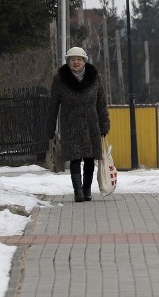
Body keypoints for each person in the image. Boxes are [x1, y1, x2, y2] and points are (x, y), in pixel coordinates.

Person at [45, 46, 110, 202]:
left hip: (90, 124)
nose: (76, 62)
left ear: (84, 61)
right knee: (75, 158)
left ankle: (87, 190)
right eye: (72, 59)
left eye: (79, 59)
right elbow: (53, 105)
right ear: (68, 61)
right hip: (70, 124)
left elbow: (101, 103)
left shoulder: (94, 78)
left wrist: (104, 123)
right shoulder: (60, 80)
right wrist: (50, 128)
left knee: (89, 158)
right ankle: (78, 192)